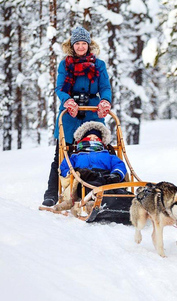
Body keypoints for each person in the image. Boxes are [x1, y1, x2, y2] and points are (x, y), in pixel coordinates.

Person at [42, 26, 112, 207]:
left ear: (89, 45)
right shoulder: (65, 64)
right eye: (77, 44)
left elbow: (105, 87)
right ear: (72, 46)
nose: (81, 47)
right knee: (62, 154)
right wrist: (67, 101)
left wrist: (105, 101)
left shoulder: (99, 65)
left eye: (84, 43)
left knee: (96, 150)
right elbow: (60, 88)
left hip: (92, 112)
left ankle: (98, 187)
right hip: (69, 115)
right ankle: (52, 192)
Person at [60, 121, 127, 187]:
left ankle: (128, 196)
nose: (92, 140)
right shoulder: (75, 156)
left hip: (106, 179)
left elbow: (119, 164)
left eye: (96, 138)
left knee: (120, 192)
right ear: (82, 140)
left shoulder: (108, 155)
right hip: (84, 181)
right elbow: (64, 168)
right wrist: (75, 172)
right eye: (89, 137)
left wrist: (116, 174)